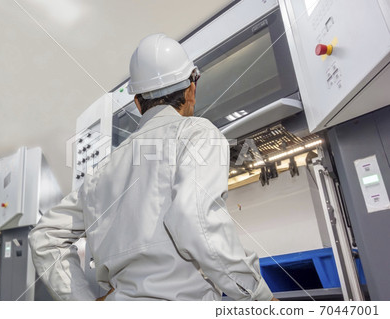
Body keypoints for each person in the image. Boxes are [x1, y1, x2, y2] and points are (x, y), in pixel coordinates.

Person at [29, 33, 275, 301]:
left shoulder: (101, 172)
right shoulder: (197, 132)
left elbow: (44, 236)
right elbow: (196, 218)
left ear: (137, 103)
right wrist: (258, 297)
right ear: (191, 88)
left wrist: (83, 304)